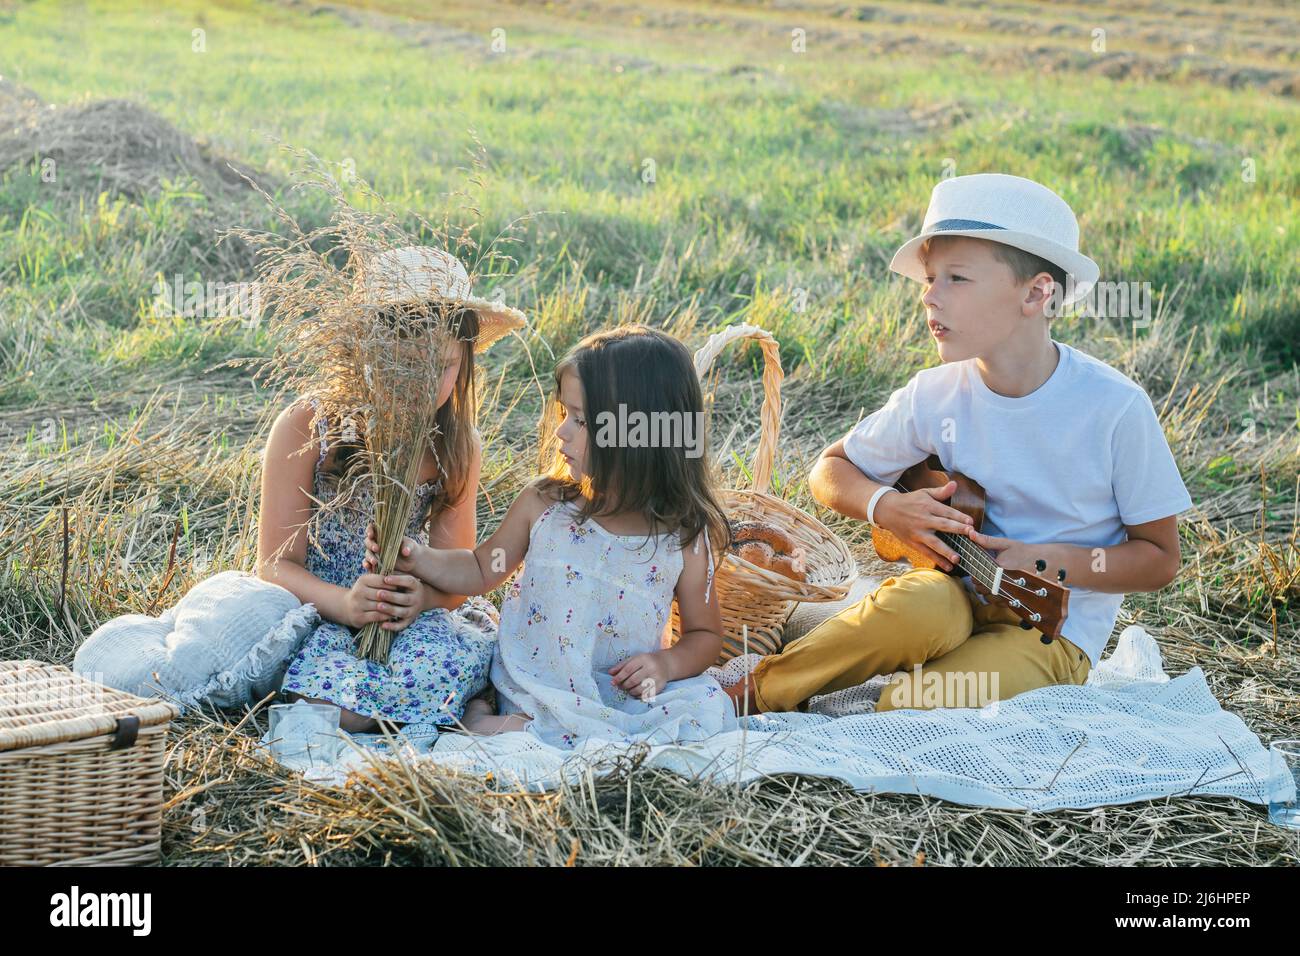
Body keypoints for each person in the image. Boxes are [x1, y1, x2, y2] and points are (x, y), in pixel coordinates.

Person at [726, 173, 1194, 716]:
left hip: (1051, 633)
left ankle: (867, 688)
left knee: (920, 704)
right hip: (948, 597)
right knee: (911, 612)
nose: (929, 295)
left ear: (1037, 293)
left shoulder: (1114, 408)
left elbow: (1159, 559)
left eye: (956, 278)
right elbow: (829, 470)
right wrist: (888, 507)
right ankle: (754, 692)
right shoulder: (936, 394)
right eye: (929, 278)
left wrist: (1045, 562)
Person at [365, 326, 737, 747]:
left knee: (689, 717)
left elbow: (704, 636)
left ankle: (495, 725)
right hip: (537, 686)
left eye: (580, 420)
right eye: (564, 414)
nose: (561, 431)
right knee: (530, 736)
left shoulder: (681, 536)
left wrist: (666, 664)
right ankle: (486, 715)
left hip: (618, 693)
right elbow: (482, 568)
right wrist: (417, 557)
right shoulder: (546, 506)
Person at [258, 246, 524, 733]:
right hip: (323, 608)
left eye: (440, 366)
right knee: (327, 707)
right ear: (362, 352)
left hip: (410, 618)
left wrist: (420, 599)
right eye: (402, 365)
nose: (420, 385)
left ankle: (441, 709)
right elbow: (275, 565)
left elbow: (457, 578)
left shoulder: (456, 446)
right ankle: (431, 717)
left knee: (448, 661)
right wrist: (344, 604)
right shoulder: (307, 426)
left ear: (464, 362)